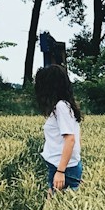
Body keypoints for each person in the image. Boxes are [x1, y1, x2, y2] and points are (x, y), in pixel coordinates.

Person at [35, 64, 83, 193]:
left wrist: (61, 171)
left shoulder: (61, 107)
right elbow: (76, 137)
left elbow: (70, 139)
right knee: (54, 202)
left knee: (55, 204)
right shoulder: (65, 106)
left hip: (62, 167)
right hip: (62, 166)